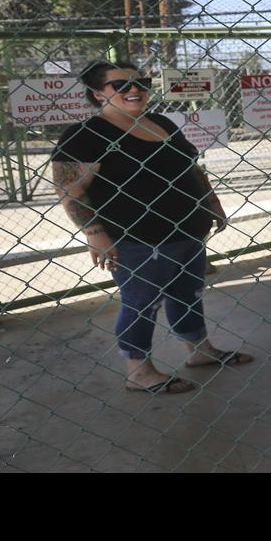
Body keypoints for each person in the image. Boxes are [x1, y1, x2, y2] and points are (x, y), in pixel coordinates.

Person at [50, 61, 252, 394]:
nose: (134, 90)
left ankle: (199, 351)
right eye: (121, 85)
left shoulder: (160, 122)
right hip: (137, 238)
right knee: (141, 302)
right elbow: (69, 189)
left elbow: (192, 168)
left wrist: (211, 202)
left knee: (187, 295)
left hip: (187, 230)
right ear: (98, 93)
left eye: (140, 83)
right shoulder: (86, 134)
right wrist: (94, 233)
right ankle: (139, 371)